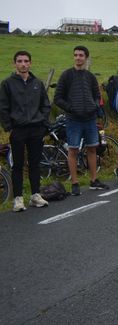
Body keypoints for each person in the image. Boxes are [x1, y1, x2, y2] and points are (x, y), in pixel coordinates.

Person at [53, 45, 110, 195]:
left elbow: (97, 95)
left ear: (86, 58)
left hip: (90, 119)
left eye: (81, 55)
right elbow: (57, 98)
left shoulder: (90, 76)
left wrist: (95, 105)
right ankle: (75, 183)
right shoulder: (66, 75)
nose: (78, 58)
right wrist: (71, 108)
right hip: (73, 120)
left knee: (92, 149)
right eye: (76, 55)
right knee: (73, 150)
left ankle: (94, 180)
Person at [0, 50, 51, 211]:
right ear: (15, 63)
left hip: (36, 129)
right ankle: (18, 198)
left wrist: (42, 123)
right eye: (20, 61)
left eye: (26, 61)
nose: (23, 64)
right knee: (17, 165)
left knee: (35, 164)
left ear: (30, 63)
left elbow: (45, 104)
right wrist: (9, 126)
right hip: (18, 130)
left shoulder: (37, 83)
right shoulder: (7, 84)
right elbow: (3, 106)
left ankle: (35, 195)